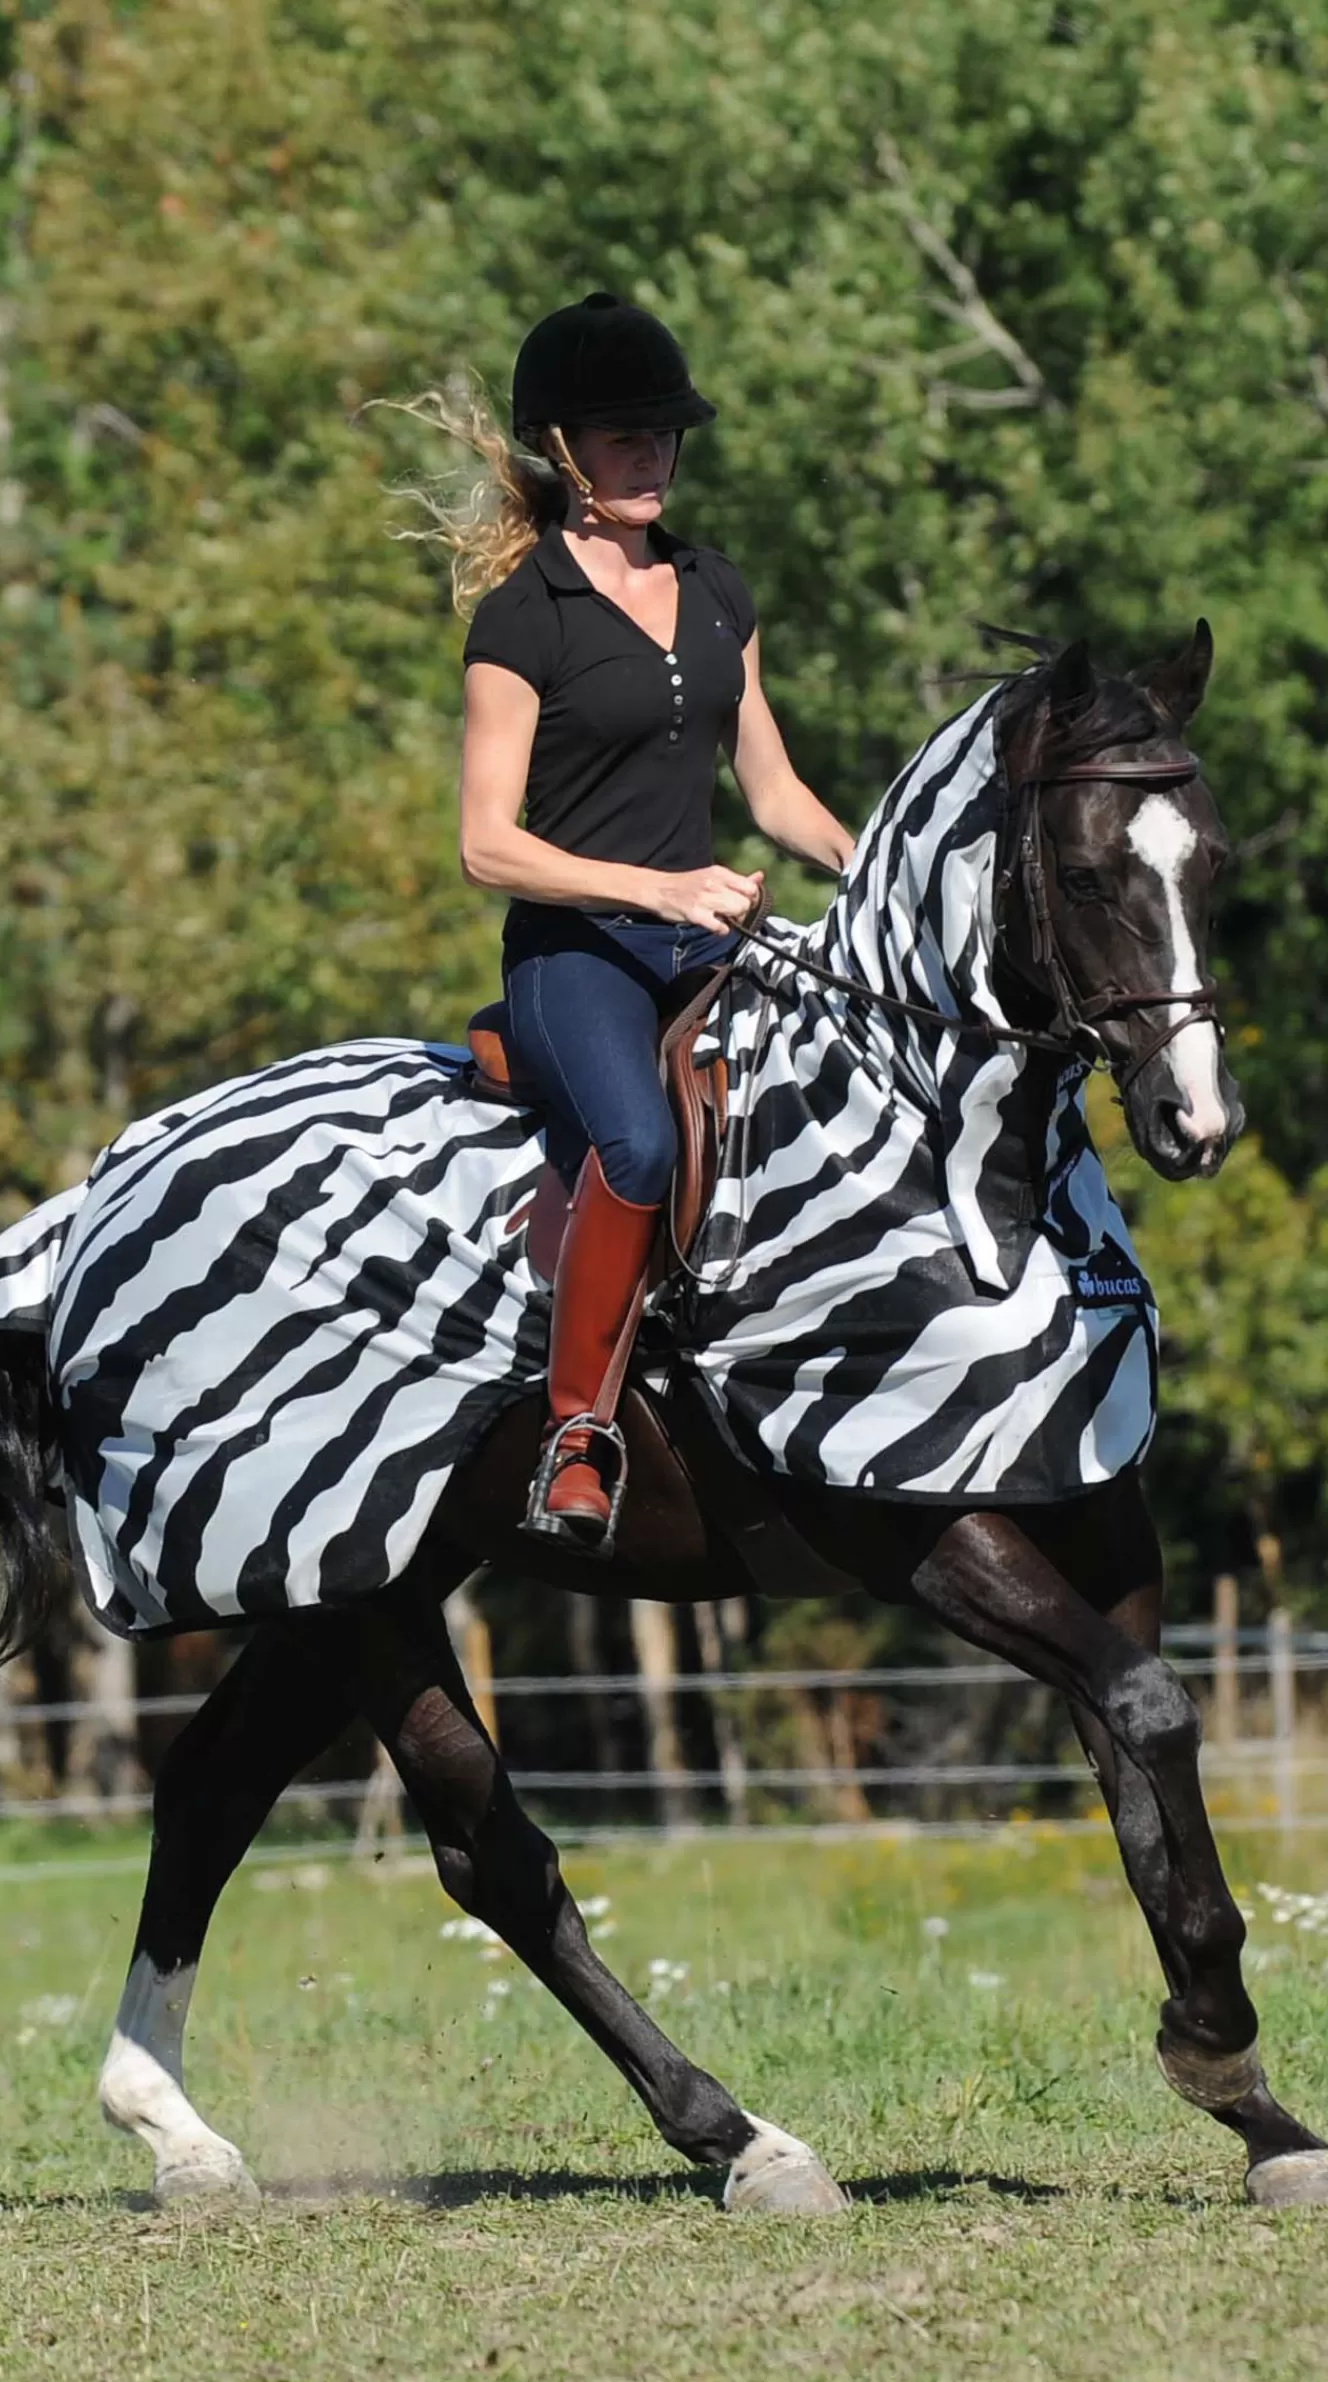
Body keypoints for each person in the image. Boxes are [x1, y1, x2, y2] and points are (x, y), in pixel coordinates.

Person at [411, 293, 853, 1543]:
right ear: (561, 453)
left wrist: (879, 870)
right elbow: (483, 844)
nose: (651, 456)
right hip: (575, 960)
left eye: (665, 435)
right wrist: (656, 888)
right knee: (643, 1152)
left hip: (707, 949)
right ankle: (575, 1431)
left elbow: (769, 792)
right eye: (622, 438)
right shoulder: (522, 619)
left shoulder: (719, 590)